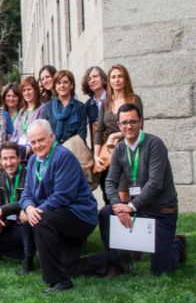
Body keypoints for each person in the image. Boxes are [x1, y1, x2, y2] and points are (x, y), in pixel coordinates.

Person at [77, 104, 187, 278]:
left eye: (133, 121)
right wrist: (118, 207)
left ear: (140, 122)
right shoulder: (120, 149)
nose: (129, 126)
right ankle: (119, 261)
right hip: (140, 208)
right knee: (106, 213)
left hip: (162, 211)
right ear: (119, 126)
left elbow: (155, 183)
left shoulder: (154, 144)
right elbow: (111, 182)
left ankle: (178, 244)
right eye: (124, 122)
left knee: (161, 270)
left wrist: (131, 206)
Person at [20, 120, 98, 293]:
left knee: (40, 221)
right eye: (33, 142)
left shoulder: (64, 156)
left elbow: (62, 196)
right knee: (71, 267)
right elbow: (26, 194)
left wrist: (35, 212)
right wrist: (29, 208)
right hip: (58, 213)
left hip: (80, 214)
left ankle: (60, 281)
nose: (37, 145)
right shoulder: (33, 161)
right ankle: (117, 258)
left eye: (41, 140)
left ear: (52, 137)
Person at [94, 64, 144, 202]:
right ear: (109, 81)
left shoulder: (134, 100)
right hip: (109, 154)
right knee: (109, 192)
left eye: (120, 76)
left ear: (125, 79)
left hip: (129, 151)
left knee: (124, 195)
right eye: (113, 77)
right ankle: (111, 221)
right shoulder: (105, 103)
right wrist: (96, 156)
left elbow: (139, 127)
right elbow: (98, 131)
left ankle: (127, 219)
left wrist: (115, 135)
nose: (117, 80)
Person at [0, 142, 35, 274]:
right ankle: (20, 254)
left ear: (19, 158)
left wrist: (3, 210)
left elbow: (27, 201)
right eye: (5, 159)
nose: (9, 162)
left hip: (29, 226)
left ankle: (28, 262)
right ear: (0, 160)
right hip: (11, 225)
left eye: (12, 158)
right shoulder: (2, 177)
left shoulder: (28, 174)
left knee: (26, 218)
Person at [42, 70, 88, 144]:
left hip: (74, 150)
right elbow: (44, 130)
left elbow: (82, 133)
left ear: (72, 85)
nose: (62, 85)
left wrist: (67, 148)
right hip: (54, 150)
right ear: (55, 87)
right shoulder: (48, 106)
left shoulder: (80, 106)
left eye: (65, 82)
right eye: (59, 83)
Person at [11, 76, 45, 161]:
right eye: (24, 90)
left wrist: (26, 151)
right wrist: (12, 150)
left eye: (29, 89)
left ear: (35, 90)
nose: (26, 93)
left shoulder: (41, 109)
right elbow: (15, 133)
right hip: (20, 154)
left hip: (34, 153)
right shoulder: (22, 111)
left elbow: (39, 132)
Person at [81, 66, 108, 148]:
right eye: (89, 79)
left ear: (103, 78)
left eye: (95, 76)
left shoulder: (113, 99)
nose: (92, 80)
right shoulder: (87, 105)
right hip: (97, 149)